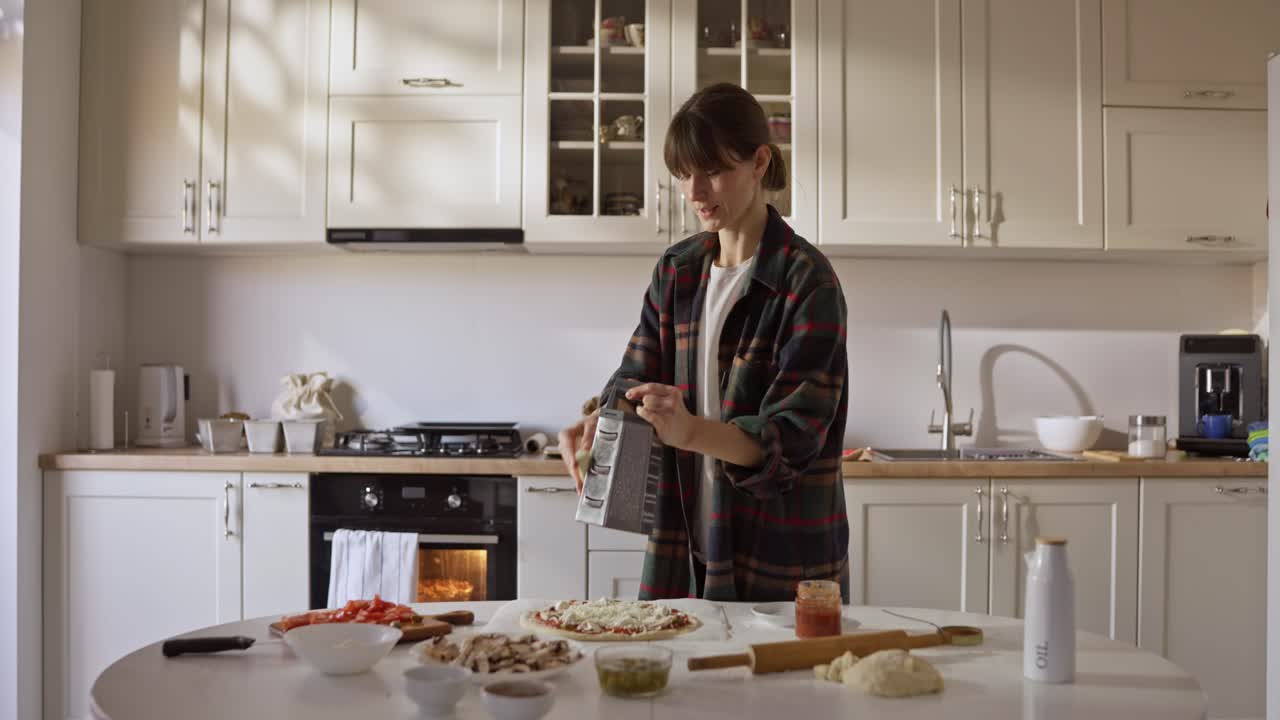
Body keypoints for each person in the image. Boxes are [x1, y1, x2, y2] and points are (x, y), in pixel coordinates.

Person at [558, 83, 849, 603]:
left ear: (760, 162)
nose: (693, 192)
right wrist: (603, 418)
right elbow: (634, 375)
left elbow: (790, 440)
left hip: (780, 555)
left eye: (712, 170)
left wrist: (688, 429)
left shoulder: (807, 281)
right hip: (683, 547)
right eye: (682, 174)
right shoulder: (678, 271)